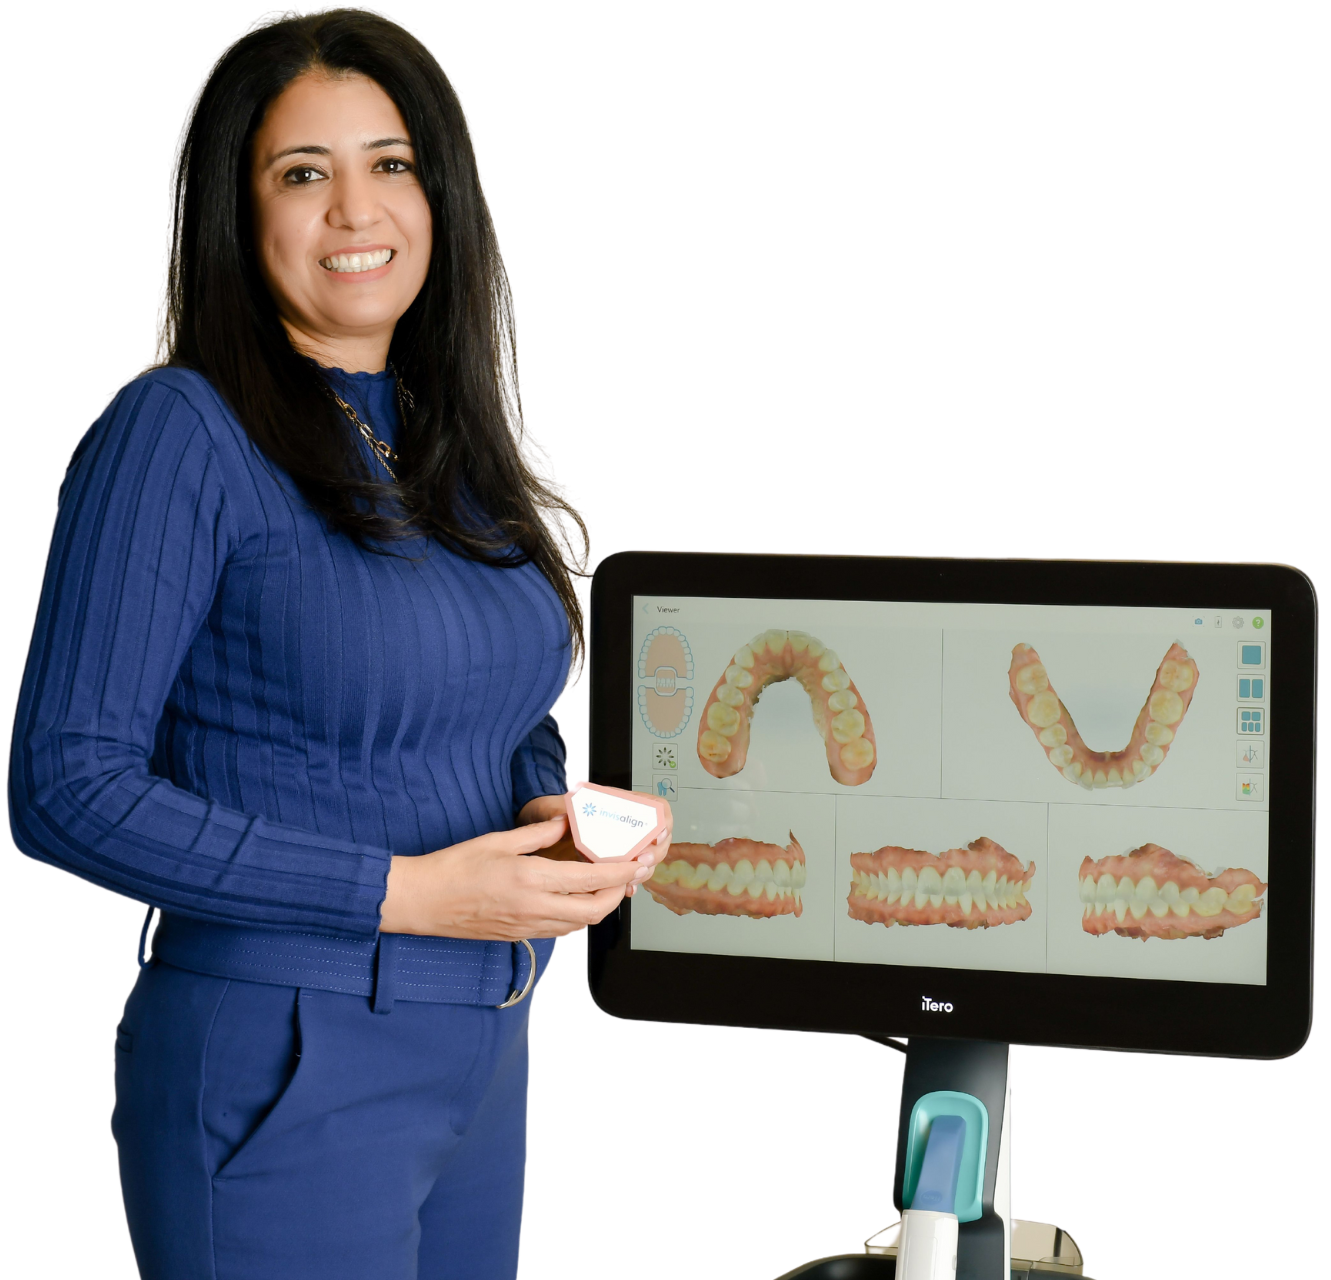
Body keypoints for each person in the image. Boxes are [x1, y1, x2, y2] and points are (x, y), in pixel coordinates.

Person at [6, 9, 670, 1278]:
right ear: (236, 216)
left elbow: (487, 707)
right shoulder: (177, 433)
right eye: (303, 174)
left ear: (441, 195)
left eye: (391, 163)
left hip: (481, 1039)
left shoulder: (448, 441)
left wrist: (550, 811)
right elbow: (62, 787)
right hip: (286, 1047)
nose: (355, 210)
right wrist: (404, 891)